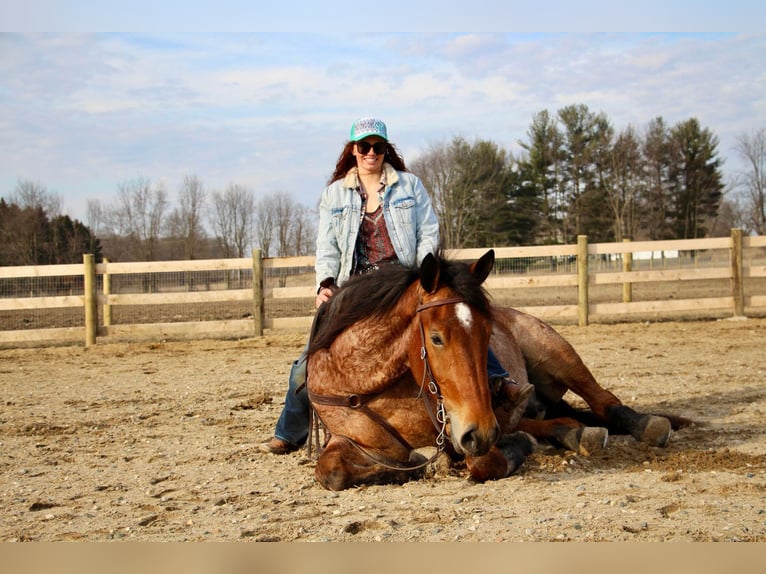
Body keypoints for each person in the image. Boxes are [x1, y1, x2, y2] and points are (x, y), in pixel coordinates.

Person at [259, 117, 532, 454]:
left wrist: (424, 274)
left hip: (401, 280)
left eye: (378, 146)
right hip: (357, 288)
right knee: (309, 361)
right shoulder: (334, 194)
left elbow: (427, 230)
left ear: (385, 149)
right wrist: (325, 283)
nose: (371, 152)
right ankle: (288, 431)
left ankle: (501, 378)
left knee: (456, 326)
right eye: (365, 147)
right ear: (353, 151)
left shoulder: (410, 186)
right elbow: (327, 245)